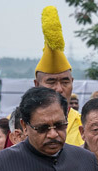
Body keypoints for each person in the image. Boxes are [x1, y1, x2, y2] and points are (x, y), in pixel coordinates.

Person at [33, 6, 85, 147]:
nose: (59, 89)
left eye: (65, 81)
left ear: (72, 82)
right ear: (36, 85)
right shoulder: (22, 124)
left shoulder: (85, 125)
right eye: (51, 82)